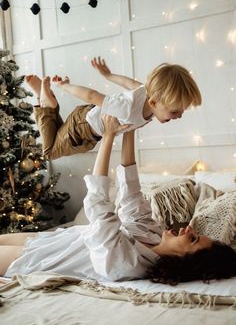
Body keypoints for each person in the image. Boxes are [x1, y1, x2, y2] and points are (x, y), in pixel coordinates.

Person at [2, 116, 236, 284]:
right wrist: (131, 128)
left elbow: (99, 206)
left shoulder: (128, 265)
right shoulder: (153, 235)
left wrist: (108, 136)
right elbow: (131, 191)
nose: (186, 229)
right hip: (49, 240)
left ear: (185, 260)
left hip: (36, 260)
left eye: (192, 239)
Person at [25, 57, 202, 160]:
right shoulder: (127, 108)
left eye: (181, 111)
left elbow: (129, 83)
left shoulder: (147, 93)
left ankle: (45, 99)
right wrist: (65, 86)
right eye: (174, 111)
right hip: (82, 128)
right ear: (154, 103)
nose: (179, 116)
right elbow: (91, 95)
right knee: (48, 153)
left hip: (87, 126)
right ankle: (48, 104)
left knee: (57, 136)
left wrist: (108, 75)